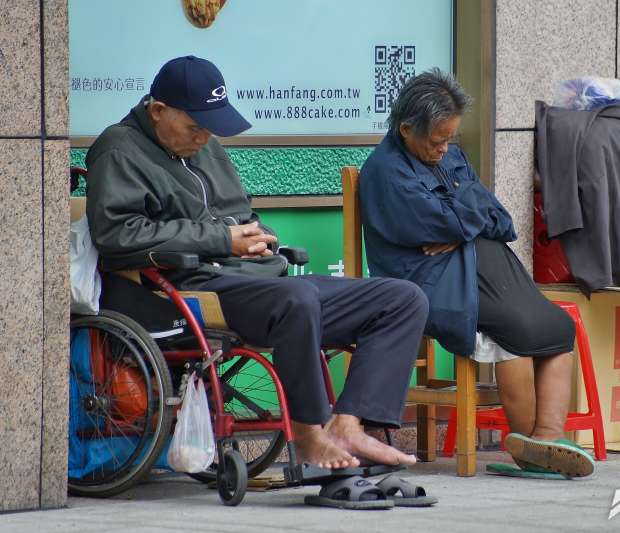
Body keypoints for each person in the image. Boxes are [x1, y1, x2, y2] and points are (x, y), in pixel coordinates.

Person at [85, 55, 428, 470]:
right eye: (195, 126)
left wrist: (256, 237)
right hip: (191, 287)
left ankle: (350, 425)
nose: (205, 137)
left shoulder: (204, 147)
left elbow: (239, 213)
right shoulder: (118, 149)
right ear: (158, 111)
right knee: (296, 299)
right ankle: (308, 434)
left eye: (210, 127)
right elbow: (118, 235)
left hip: (255, 280)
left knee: (403, 298)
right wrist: (222, 240)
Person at [359, 69, 595, 477]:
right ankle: (531, 451)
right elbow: (445, 221)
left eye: (449, 139)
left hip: (482, 268)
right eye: (435, 141)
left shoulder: (448, 155)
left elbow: (500, 219)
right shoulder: (386, 171)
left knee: (557, 326)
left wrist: (461, 225)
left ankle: (545, 437)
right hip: (429, 281)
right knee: (515, 330)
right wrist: (467, 217)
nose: (444, 149)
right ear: (406, 129)